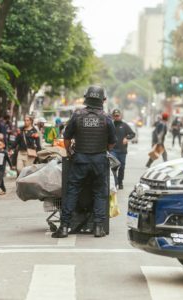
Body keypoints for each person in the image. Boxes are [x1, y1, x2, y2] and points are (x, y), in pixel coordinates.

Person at [52, 85, 117, 239]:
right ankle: (99, 227)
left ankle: (64, 227)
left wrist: (69, 152)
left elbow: (66, 138)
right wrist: (103, 149)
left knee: (72, 192)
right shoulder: (106, 118)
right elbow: (112, 143)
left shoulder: (77, 115)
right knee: (100, 193)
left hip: (80, 159)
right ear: (103, 100)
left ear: (86, 98)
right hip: (99, 161)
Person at [110, 109, 135, 190]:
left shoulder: (124, 125)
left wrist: (127, 138)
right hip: (113, 150)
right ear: (113, 116)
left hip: (122, 151)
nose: (116, 117)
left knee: (122, 167)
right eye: (115, 115)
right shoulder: (111, 125)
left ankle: (120, 182)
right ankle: (116, 182)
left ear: (120, 116)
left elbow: (132, 134)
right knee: (113, 166)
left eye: (118, 115)